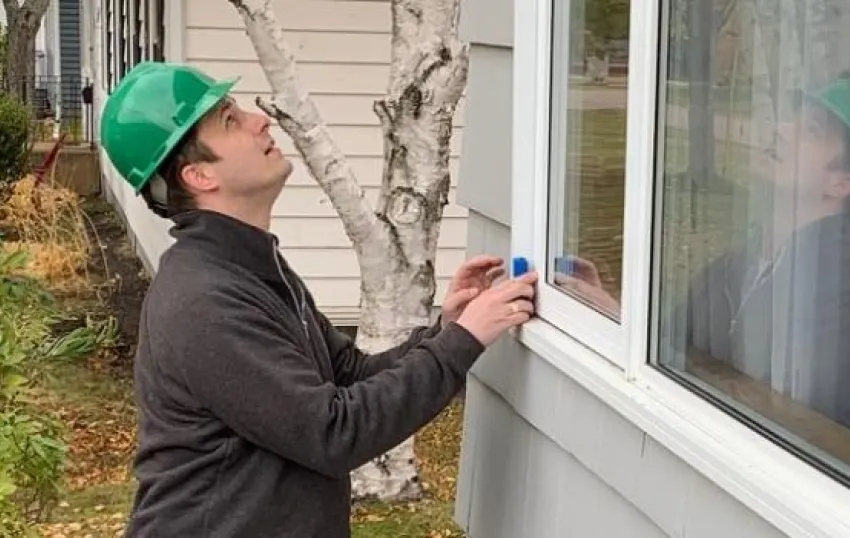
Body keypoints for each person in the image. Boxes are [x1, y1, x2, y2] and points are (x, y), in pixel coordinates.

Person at [99, 61, 538, 537]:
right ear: (199, 176)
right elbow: (334, 432)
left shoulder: (247, 265)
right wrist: (464, 342)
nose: (258, 120)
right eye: (230, 120)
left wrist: (448, 330)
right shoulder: (204, 300)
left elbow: (349, 374)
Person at [554, 76, 850, 440]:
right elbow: (669, 355)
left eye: (813, 131)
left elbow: (776, 431)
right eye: (794, 119)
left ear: (841, 185)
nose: (782, 130)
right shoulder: (734, 268)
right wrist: (613, 315)